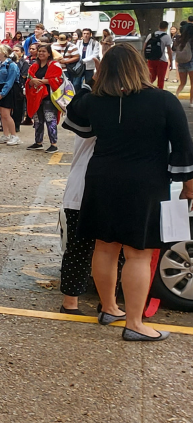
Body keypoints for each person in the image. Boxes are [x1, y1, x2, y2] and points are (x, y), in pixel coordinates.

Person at [62, 44, 193, 341]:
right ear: (140, 65)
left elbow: (74, 119)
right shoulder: (163, 100)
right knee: (138, 254)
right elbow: (184, 146)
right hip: (145, 182)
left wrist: (91, 81)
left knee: (105, 247)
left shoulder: (96, 100)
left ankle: (109, 307)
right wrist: (188, 184)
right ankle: (135, 323)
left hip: (100, 179)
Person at [59, 80, 96, 315]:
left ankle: (72, 301)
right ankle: (74, 301)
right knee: (104, 250)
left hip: (80, 187)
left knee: (80, 249)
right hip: (86, 186)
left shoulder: (86, 105)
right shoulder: (97, 106)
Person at [25, 43, 64, 153]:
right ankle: (38, 142)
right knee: (38, 120)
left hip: (49, 97)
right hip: (36, 96)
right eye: (40, 51)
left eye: (44, 51)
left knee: (50, 119)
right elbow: (29, 80)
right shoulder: (34, 66)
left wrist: (42, 81)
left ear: (49, 54)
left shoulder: (54, 65)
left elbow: (58, 80)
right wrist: (32, 82)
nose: (41, 53)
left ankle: (54, 144)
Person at [0, 46, 22, 146]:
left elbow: (10, 81)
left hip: (8, 90)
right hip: (0, 88)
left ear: (4, 53)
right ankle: (5, 135)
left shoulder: (11, 65)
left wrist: (3, 93)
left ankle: (14, 136)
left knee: (6, 114)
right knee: (2, 114)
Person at [142, 21, 173, 87]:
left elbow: (144, 47)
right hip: (162, 60)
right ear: (166, 27)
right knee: (161, 79)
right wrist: (171, 61)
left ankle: (145, 89)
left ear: (158, 26)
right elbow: (169, 51)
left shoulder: (151, 35)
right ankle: (160, 93)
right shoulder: (166, 37)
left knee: (151, 78)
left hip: (151, 60)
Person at [172, 24, 193, 106]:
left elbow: (173, 49)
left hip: (181, 63)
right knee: (192, 83)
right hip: (191, 62)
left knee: (182, 83)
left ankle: (176, 96)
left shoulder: (178, 39)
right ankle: (191, 102)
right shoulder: (191, 40)